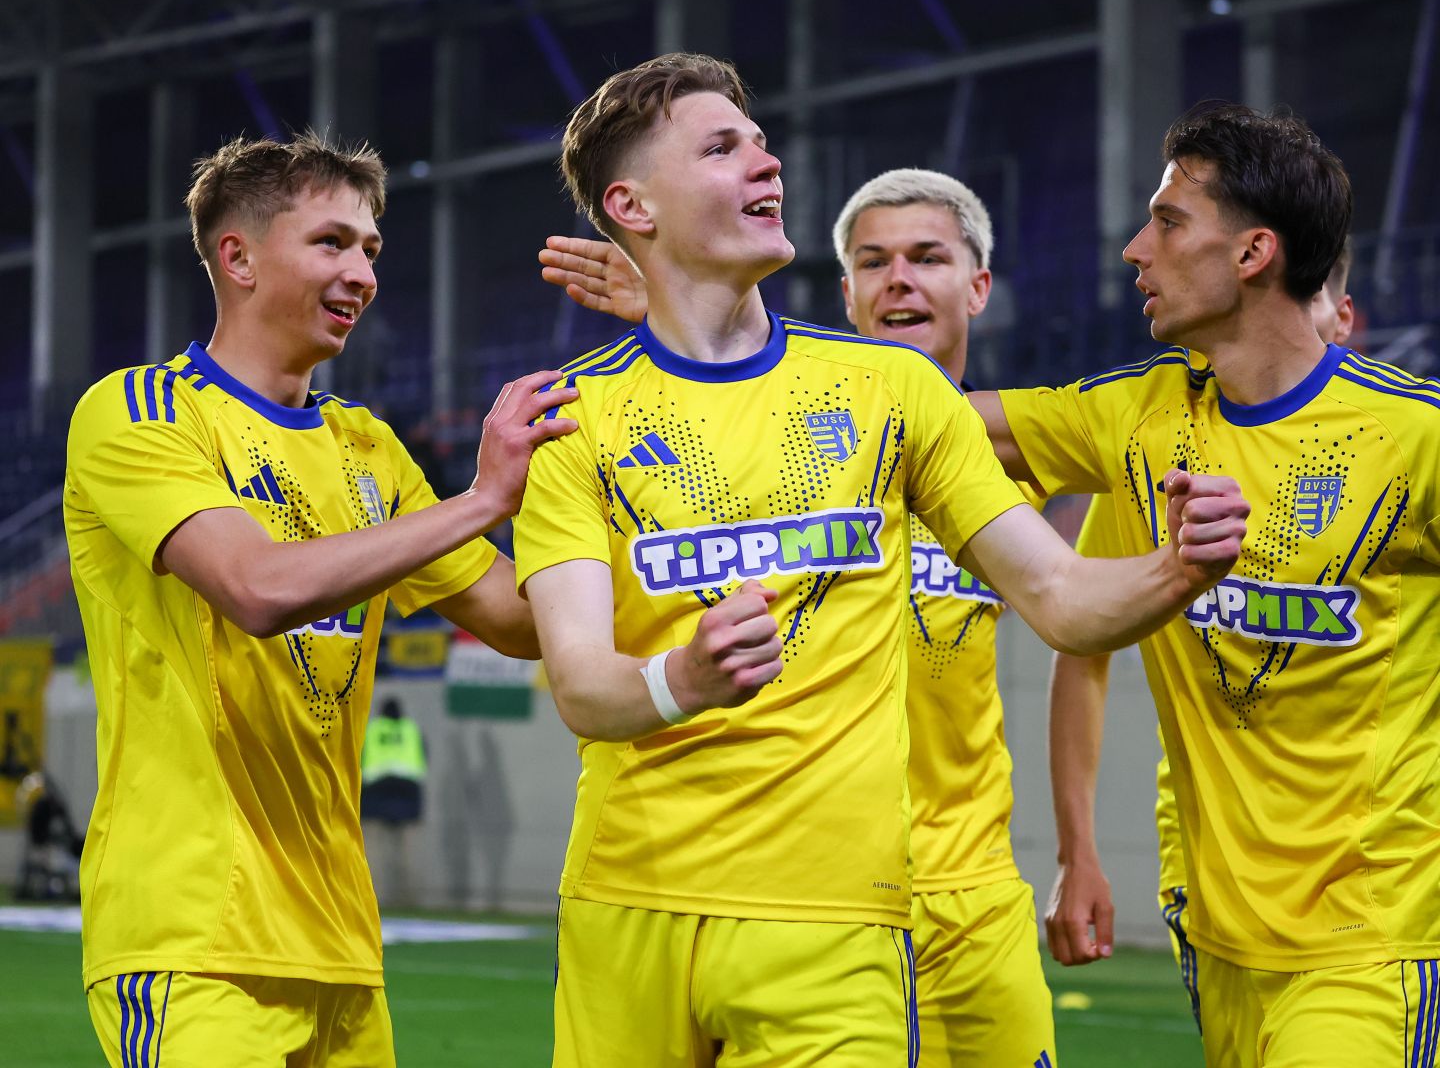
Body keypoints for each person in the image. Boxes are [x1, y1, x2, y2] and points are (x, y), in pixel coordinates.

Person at [516, 53, 1247, 1067]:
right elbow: (583, 688)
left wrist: (1179, 567)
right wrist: (684, 678)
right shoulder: (569, 418)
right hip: (625, 908)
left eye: (761, 142)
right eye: (722, 148)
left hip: (839, 922)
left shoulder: (891, 390)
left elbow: (1062, 598)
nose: (767, 162)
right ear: (630, 206)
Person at [63, 131, 577, 1068]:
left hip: (340, 947)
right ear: (238, 258)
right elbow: (257, 588)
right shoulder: (139, 413)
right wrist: (479, 502)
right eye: (332, 243)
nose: (362, 274)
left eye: (371, 249)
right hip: (194, 938)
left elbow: (517, 617)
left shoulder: (368, 447)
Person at [541, 168, 1059, 1066]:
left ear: (981, 286)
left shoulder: (1009, 449)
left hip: (965, 885)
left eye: (928, 258)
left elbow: (1149, 447)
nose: (900, 280)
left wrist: (1077, 850)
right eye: (873, 262)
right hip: (800, 877)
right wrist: (679, 311)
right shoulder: (739, 429)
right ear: (846, 293)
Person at [973, 103, 1440, 1066]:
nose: (1135, 249)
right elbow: (932, 425)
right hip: (1220, 936)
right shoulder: (1142, 420)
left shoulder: (1414, 435)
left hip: (1377, 938)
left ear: (1254, 252)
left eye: (1168, 221)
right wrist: (709, 355)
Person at [1043, 245, 1358, 1038]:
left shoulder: (1399, 447)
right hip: (1209, 886)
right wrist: (1077, 850)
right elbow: (1082, 640)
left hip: (1369, 907)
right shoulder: (1157, 455)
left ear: (1341, 318)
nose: (1138, 250)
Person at [361, 697, 428, 906]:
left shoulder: (373, 729)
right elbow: (424, 756)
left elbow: (359, 756)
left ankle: (375, 894)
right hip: (407, 789)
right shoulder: (411, 729)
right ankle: (408, 895)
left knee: (375, 845)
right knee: (406, 844)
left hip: (376, 787)